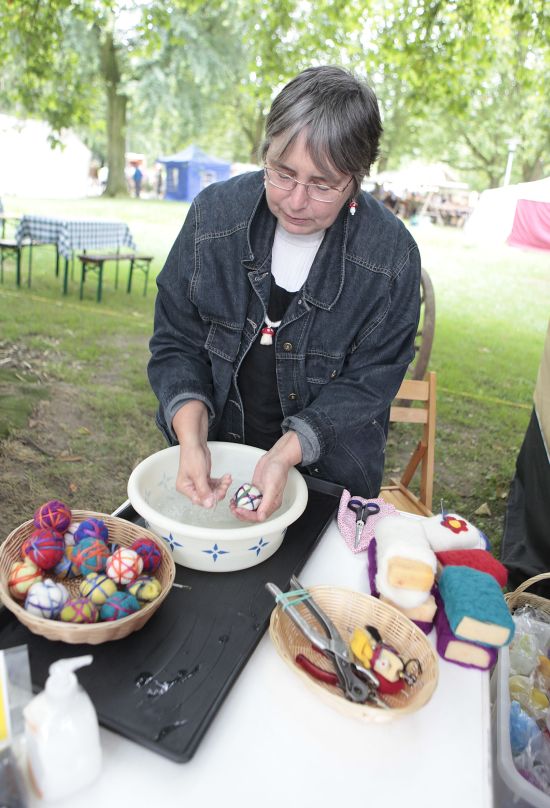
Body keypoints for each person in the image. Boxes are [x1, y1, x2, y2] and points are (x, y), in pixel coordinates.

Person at [148, 65, 421, 524]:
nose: (296, 201)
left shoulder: (390, 256)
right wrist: (191, 437)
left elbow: (372, 380)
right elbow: (177, 340)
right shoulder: (213, 218)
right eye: (282, 173)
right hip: (217, 463)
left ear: (357, 177)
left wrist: (284, 455)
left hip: (328, 482)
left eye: (322, 184)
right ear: (266, 151)